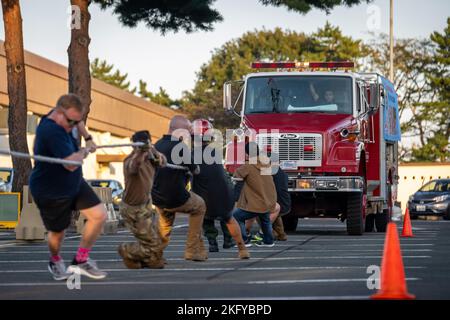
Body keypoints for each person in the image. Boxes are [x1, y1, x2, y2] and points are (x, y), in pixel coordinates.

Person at [29, 93, 107, 280]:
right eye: (70, 121)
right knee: (58, 233)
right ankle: (55, 260)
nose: (73, 126)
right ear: (58, 113)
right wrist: (84, 150)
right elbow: (71, 163)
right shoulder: (50, 131)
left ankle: (81, 260)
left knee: (99, 215)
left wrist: (88, 137)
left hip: (73, 182)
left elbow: (78, 122)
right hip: (51, 189)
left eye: (76, 121)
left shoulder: (70, 118)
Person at [151, 115, 207, 262]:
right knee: (200, 206)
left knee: (165, 224)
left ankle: (155, 254)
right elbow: (196, 170)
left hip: (158, 196)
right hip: (176, 197)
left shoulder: (157, 145)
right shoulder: (180, 147)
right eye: (188, 130)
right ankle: (192, 250)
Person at [191, 119, 249, 259]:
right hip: (223, 194)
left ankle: (212, 242)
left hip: (203, 195)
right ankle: (229, 240)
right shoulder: (215, 153)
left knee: (205, 217)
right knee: (227, 216)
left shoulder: (191, 154)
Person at [118, 130, 167, 269]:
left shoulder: (152, 160)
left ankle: (147, 260)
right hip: (133, 209)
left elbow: (163, 162)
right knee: (152, 244)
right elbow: (135, 166)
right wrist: (141, 152)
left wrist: (152, 150)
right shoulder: (130, 160)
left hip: (145, 205)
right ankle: (127, 250)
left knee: (158, 239)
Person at [232, 142, 277, 247]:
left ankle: (244, 240)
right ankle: (268, 241)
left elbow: (236, 175)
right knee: (265, 219)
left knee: (236, 216)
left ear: (247, 154)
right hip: (269, 200)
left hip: (256, 202)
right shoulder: (266, 162)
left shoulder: (248, 165)